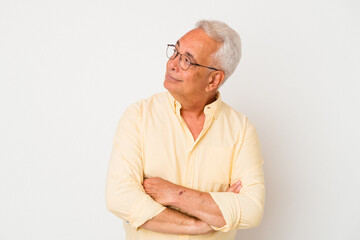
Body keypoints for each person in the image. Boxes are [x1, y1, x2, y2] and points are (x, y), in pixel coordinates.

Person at [105, 20, 265, 240]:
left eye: (187, 60)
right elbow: (119, 197)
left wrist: (175, 195)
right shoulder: (138, 117)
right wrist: (199, 224)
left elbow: (251, 209)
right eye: (175, 52)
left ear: (214, 80)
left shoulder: (241, 130)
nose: (172, 64)